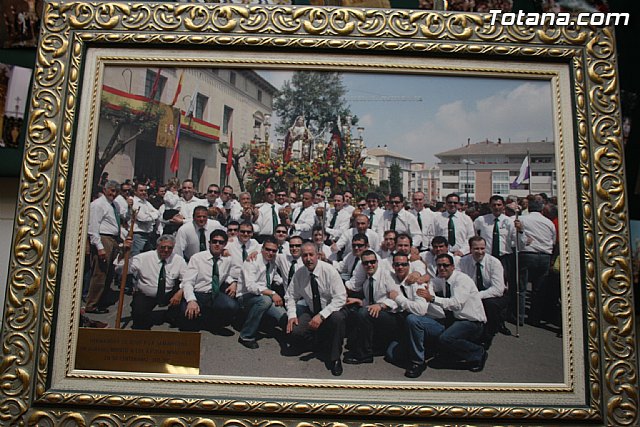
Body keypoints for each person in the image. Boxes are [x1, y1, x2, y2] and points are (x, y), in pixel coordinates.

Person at [285, 242, 347, 376]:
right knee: (295, 331)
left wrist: (321, 316)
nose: (308, 259)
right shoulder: (300, 274)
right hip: (313, 310)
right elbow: (290, 296)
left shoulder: (329, 271)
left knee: (338, 318)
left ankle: (335, 358)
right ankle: (317, 344)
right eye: (304, 255)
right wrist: (291, 315)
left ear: (317, 255)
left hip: (331, 311)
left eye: (311, 255)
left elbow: (341, 298)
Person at [421, 253, 488, 372]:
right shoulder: (443, 278)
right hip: (456, 319)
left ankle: (478, 353)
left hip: (471, 322)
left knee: (445, 338)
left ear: (452, 267)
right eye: (439, 265)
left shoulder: (461, 280)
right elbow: (431, 284)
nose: (442, 268)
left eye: (445, 265)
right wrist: (426, 285)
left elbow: (456, 304)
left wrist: (432, 298)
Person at [386, 252, 445, 378]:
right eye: (397, 264)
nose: (400, 267)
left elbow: (421, 310)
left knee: (412, 319)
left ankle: (418, 362)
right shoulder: (395, 281)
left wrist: (399, 299)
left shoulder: (418, 282)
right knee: (391, 354)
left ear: (408, 266)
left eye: (403, 264)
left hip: (435, 323)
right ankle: (426, 349)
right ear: (393, 266)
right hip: (415, 325)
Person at [115, 235, 187, 329]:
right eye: (163, 247)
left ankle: (171, 315)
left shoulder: (178, 260)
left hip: (169, 293)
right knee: (139, 319)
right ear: (157, 246)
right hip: (146, 295)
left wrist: (180, 292)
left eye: (169, 248)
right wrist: (123, 253)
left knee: (185, 299)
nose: (166, 250)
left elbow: (187, 279)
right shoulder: (143, 258)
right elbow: (121, 271)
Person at [343, 250, 399, 365]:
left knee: (364, 313)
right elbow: (370, 302)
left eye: (372, 262)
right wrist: (359, 301)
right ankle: (371, 345)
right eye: (366, 263)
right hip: (378, 315)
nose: (369, 265)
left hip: (393, 316)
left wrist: (381, 305)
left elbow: (398, 299)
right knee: (355, 311)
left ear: (377, 262)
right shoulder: (367, 282)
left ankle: (364, 355)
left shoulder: (387, 276)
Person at [179, 230, 240, 332]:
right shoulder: (197, 258)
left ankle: (210, 320)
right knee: (186, 318)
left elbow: (226, 275)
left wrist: (233, 282)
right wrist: (191, 300)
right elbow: (188, 282)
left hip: (214, 294)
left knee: (232, 306)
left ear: (225, 244)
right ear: (209, 243)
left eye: (221, 242)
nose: (217, 244)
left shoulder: (227, 260)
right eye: (214, 241)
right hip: (197, 293)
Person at [236, 236, 287, 349]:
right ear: (262, 249)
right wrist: (272, 293)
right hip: (245, 297)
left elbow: (275, 278)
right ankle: (246, 336)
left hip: (265, 296)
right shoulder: (252, 261)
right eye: (267, 249)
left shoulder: (272, 261)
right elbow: (251, 287)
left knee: (283, 317)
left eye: (273, 251)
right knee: (265, 301)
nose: (270, 252)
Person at [459, 236, 508, 349]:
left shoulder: (494, 262)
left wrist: (477, 296)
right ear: (470, 249)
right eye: (476, 249)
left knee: (490, 305)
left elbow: (498, 289)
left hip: (493, 294)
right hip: (471, 293)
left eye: (482, 248)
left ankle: (488, 336)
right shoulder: (463, 262)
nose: (480, 252)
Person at [516, 199, 557, 326]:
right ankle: (535, 318)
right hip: (544, 255)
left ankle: (520, 316)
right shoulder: (548, 222)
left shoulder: (523, 219)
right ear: (542, 209)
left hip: (528, 253)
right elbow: (553, 240)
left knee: (522, 288)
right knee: (539, 289)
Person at [85, 180, 121, 314]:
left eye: (116, 191)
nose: (113, 194)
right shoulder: (98, 205)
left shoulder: (113, 205)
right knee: (100, 274)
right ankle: (91, 304)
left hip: (112, 239)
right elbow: (93, 228)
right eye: (111, 190)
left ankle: (101, 301)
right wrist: (99, 247)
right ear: (105, 190)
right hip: (103, 239)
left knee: (108, 274)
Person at [131, 183, 160, 256]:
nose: (144, 192)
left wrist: (150, 215)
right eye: (141, 190)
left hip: (147, 234)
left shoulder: (146, 202)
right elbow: (142, 218)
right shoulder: (133, 202)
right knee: (136, 257)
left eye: (145, 191)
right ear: (135, 191)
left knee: (147, 257)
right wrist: (152, 215)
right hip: (138, 234)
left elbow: (158, 212)